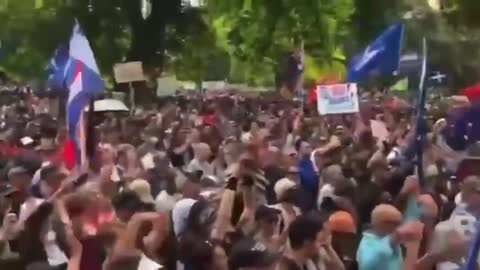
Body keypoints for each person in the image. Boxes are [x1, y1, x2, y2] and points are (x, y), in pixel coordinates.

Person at [277, 212, 345, 270]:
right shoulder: (286, 265)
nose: (322, 244)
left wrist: (328, 247)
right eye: (319, 240)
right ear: (307, 243)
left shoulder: (310, 260)